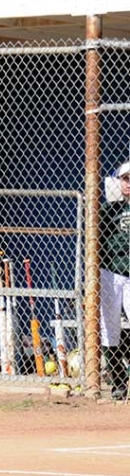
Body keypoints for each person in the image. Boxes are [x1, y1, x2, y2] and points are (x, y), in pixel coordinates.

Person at [99, 158, 130, 400]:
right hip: (111, 272)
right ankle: (118, 382)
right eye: (125, 179)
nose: (128, 184)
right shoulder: (109, 209)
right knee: (110, 328)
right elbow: (95, 232)